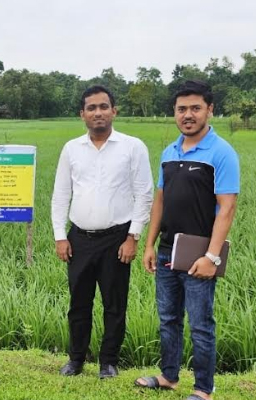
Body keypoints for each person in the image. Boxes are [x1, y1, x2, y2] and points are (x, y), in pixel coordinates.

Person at [135, 80, 239, 400]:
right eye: (182, 109)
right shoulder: (169, 151)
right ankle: (169, 377)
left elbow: (226, 208)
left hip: (198, 255)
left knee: (200, 324)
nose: (188, 115)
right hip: (167, 251)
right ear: (175, 113)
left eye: (195, 108)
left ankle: (203, 389)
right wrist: (150, 245)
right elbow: (160, 201)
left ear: (210, 109)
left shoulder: (221, 153)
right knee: (168, 319)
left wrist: (212, 257)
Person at [51, 85, 153, 378]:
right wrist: (60, 236)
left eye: (104, 107)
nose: (98, 112)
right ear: (82, 114)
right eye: (92, 108)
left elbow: (143, 194)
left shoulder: (133, 146)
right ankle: (76, 360)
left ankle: (108, 362)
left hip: (117, 239)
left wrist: (133, 237)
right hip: (79, 238)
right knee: (78, 304)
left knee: (114, 304)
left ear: (114, 111)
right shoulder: (72, 149)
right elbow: (60, 195)